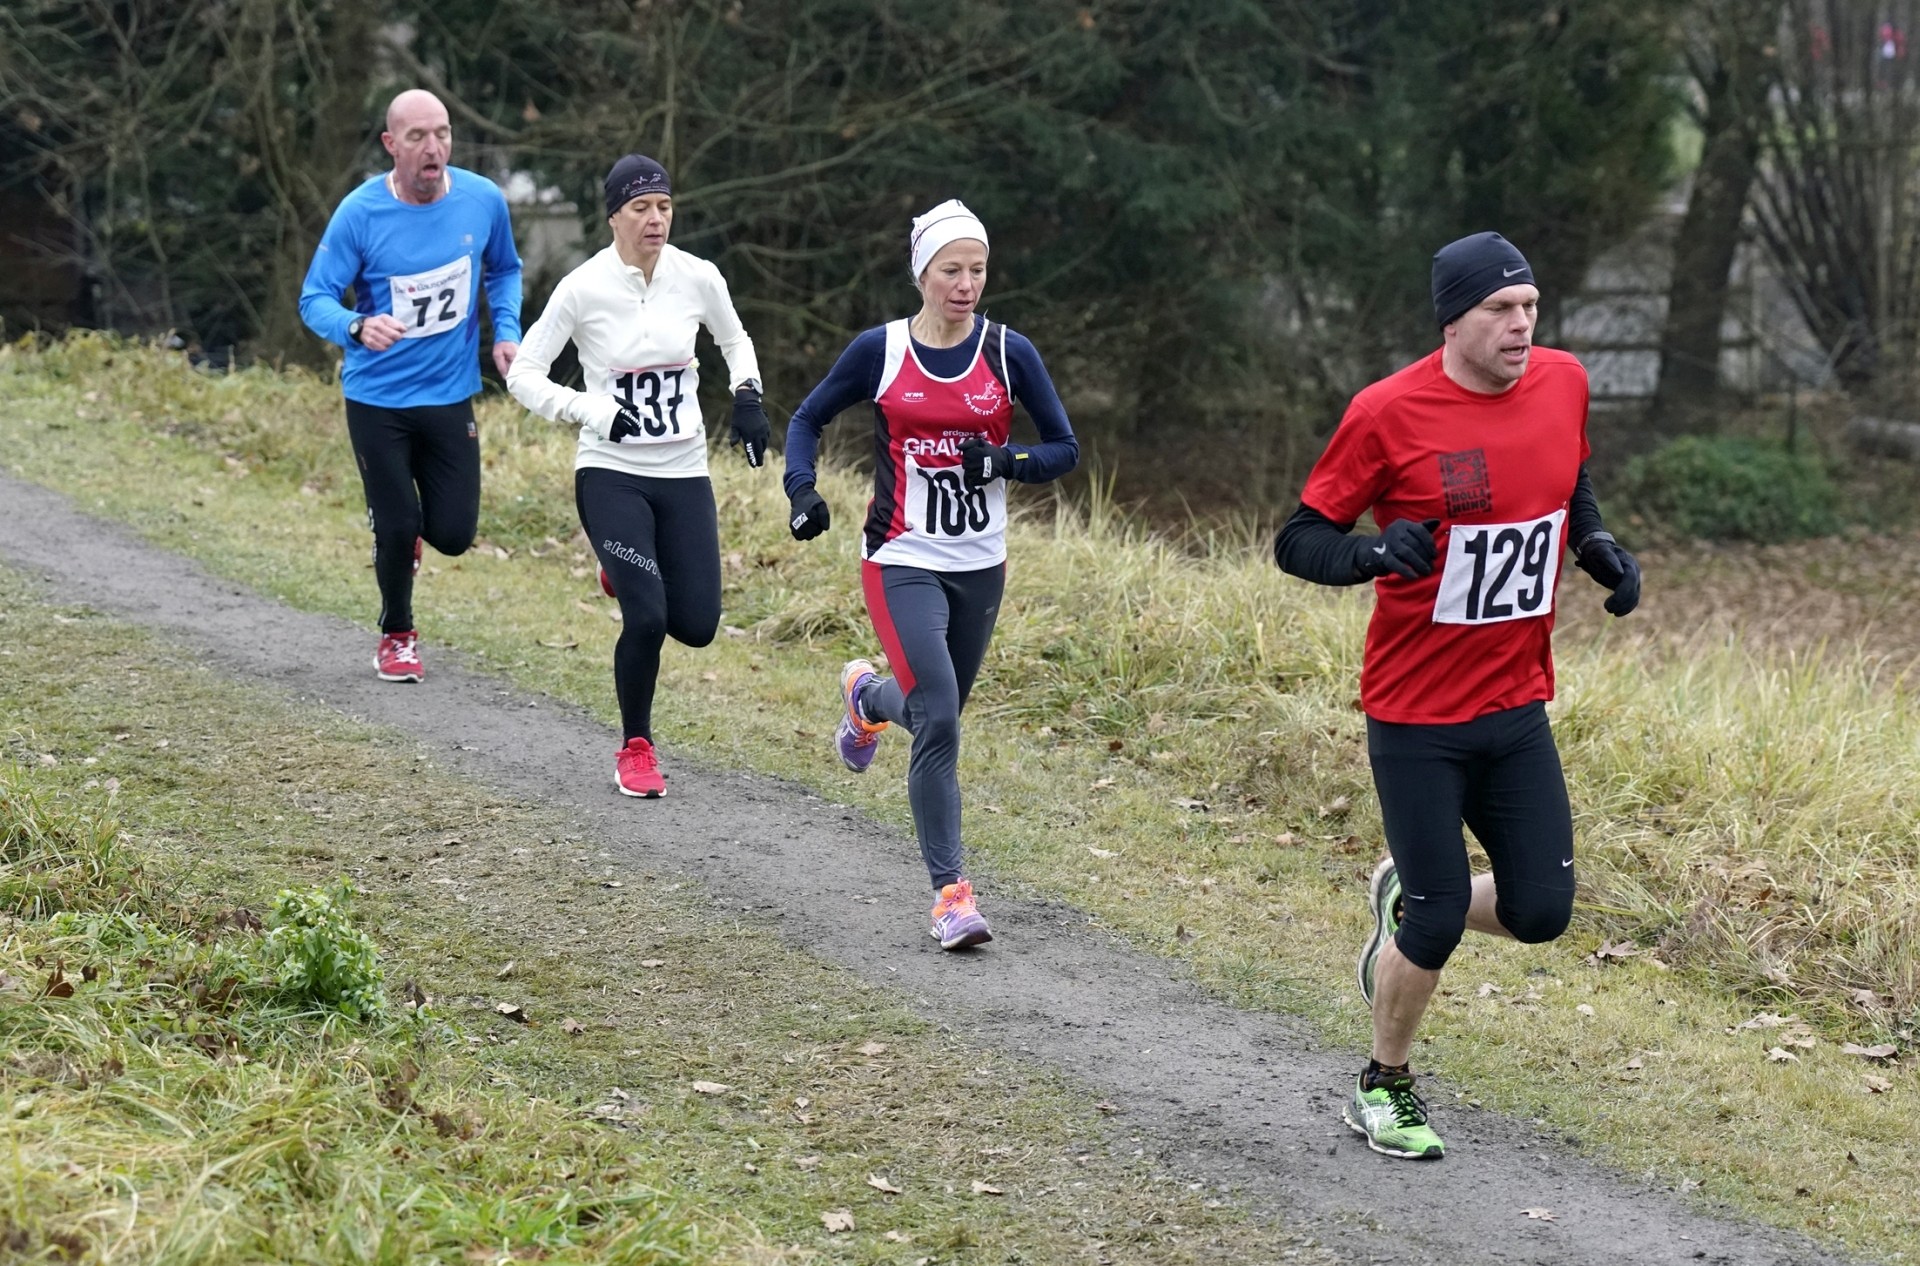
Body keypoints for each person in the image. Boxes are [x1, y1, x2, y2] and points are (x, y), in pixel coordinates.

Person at [1273, 231, 1642, 1160]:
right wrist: (1370, 554)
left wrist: (1595, 548)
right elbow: (1300, 537)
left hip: (1515, 705)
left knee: (1541, 912)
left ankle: (1404, 899)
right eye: (1500, 312)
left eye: (1530, 309)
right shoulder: (1386, 413)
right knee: (1439, 916)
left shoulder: (1564, 381)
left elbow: (1569, 475)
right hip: (1415, 713)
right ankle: (1382, 1086)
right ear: (1456, 318)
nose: (1522, 326)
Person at [783, 198, 1079, 949]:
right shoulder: (880, 352)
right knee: (940, 717)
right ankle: (951, 895)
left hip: (980, 566)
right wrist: (801, 488)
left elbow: (1064, 449)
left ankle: (866, 698)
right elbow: (806, 418)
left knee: (928, 709)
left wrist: (1007, 461)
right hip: (901, 558)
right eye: (952, 269)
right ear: (922, 272)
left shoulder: (1010, 353)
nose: (967, 283)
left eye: (978, 269)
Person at [506, 154, 768, 798]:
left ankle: (622, 569)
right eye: (642, 208)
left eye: (665, 206)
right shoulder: (582, 288)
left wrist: (748, 396)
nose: (656, 219)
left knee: (699, 625)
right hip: (611, 472)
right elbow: (523, 374)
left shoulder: (698, 277)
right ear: (615, 215)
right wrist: (590, 408)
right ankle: (636, 747)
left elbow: (734, 341)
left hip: (683, 469)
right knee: (647, 619)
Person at [298, 88, 524, 684]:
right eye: (419, 137)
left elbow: (504, 269)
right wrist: (356, 325)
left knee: (452, 533)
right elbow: (313, 298)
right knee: (397, 524)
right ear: (391, 144)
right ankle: (396, 633)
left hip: (451, 395)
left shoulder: (482, 200)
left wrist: (506, 330)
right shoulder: (360, 213)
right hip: (378, 400)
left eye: (443, 133)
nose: (434, 148)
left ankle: (407, 536)